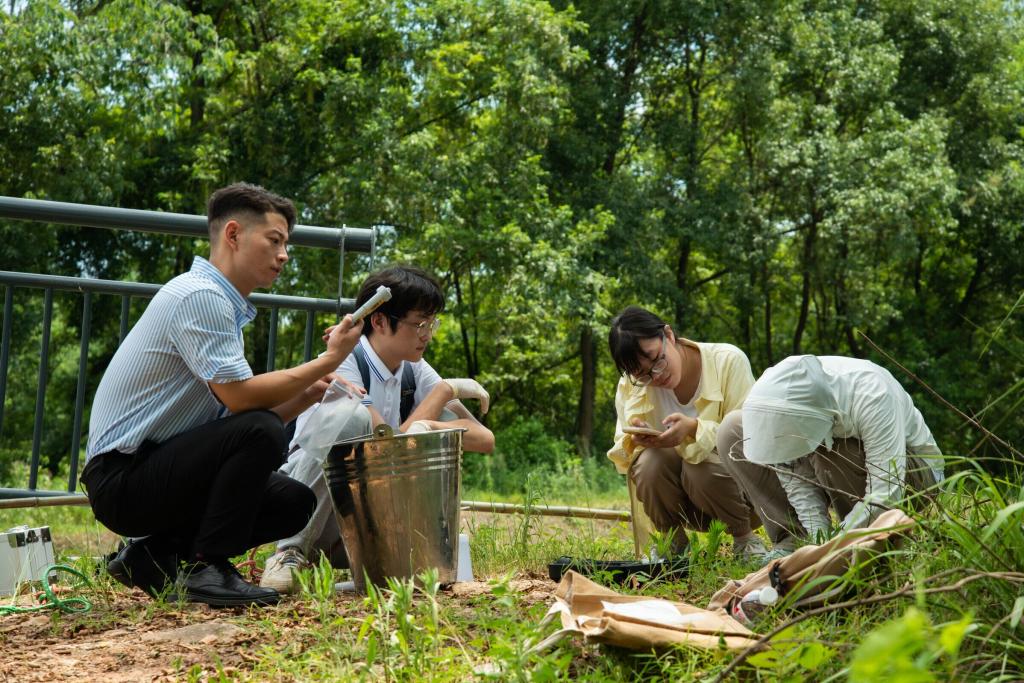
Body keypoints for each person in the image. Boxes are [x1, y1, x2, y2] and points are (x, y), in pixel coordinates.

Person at [82, 182, 363, 607]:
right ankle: (205, 565)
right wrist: (329, 360)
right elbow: (242, 402)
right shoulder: (202, 296)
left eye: (286, 244)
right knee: (261, 428)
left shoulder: (219, 304)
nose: (284, 255)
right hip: (122, 480)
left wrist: (308, 394)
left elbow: (236, 422)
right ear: (233, 234)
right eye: (275, 240)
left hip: (151, 471)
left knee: (293, 502)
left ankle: (152, 556)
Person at [260, 265, 495, 593]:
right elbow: (386, 447)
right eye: (420, 324)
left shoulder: (413, 369)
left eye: (432, 324)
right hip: (305, 505)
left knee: (431, 431)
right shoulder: (344, 360)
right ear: (380, 321)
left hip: (359, 518)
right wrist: (444, 392)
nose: (427, 334)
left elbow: (484, 439)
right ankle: (289, 552)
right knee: (354, 417)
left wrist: (429, 423)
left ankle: (377, 565)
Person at [606, 306, 800, 562]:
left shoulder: (727, 361)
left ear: (669, 335)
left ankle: (745, 540)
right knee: (649, 461)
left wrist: (694, 429)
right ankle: (672, 543)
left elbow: (750, 435)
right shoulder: (631, 386)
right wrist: (638, 439)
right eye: (642, 374)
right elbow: (623, 451)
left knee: (698, 464)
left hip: (742, 496)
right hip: (684, 504)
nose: (656, 375)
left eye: (656, 360)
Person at [728, 355, 943, 540]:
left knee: (835, 451)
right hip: (859, 483)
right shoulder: (786, 405)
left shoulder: (874, 395)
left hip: (918, 481)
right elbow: (797, 482)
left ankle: (861, 537)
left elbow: (886, 494)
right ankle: (801, 540)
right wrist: (818, 539)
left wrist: (834, 542)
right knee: (736, 429)